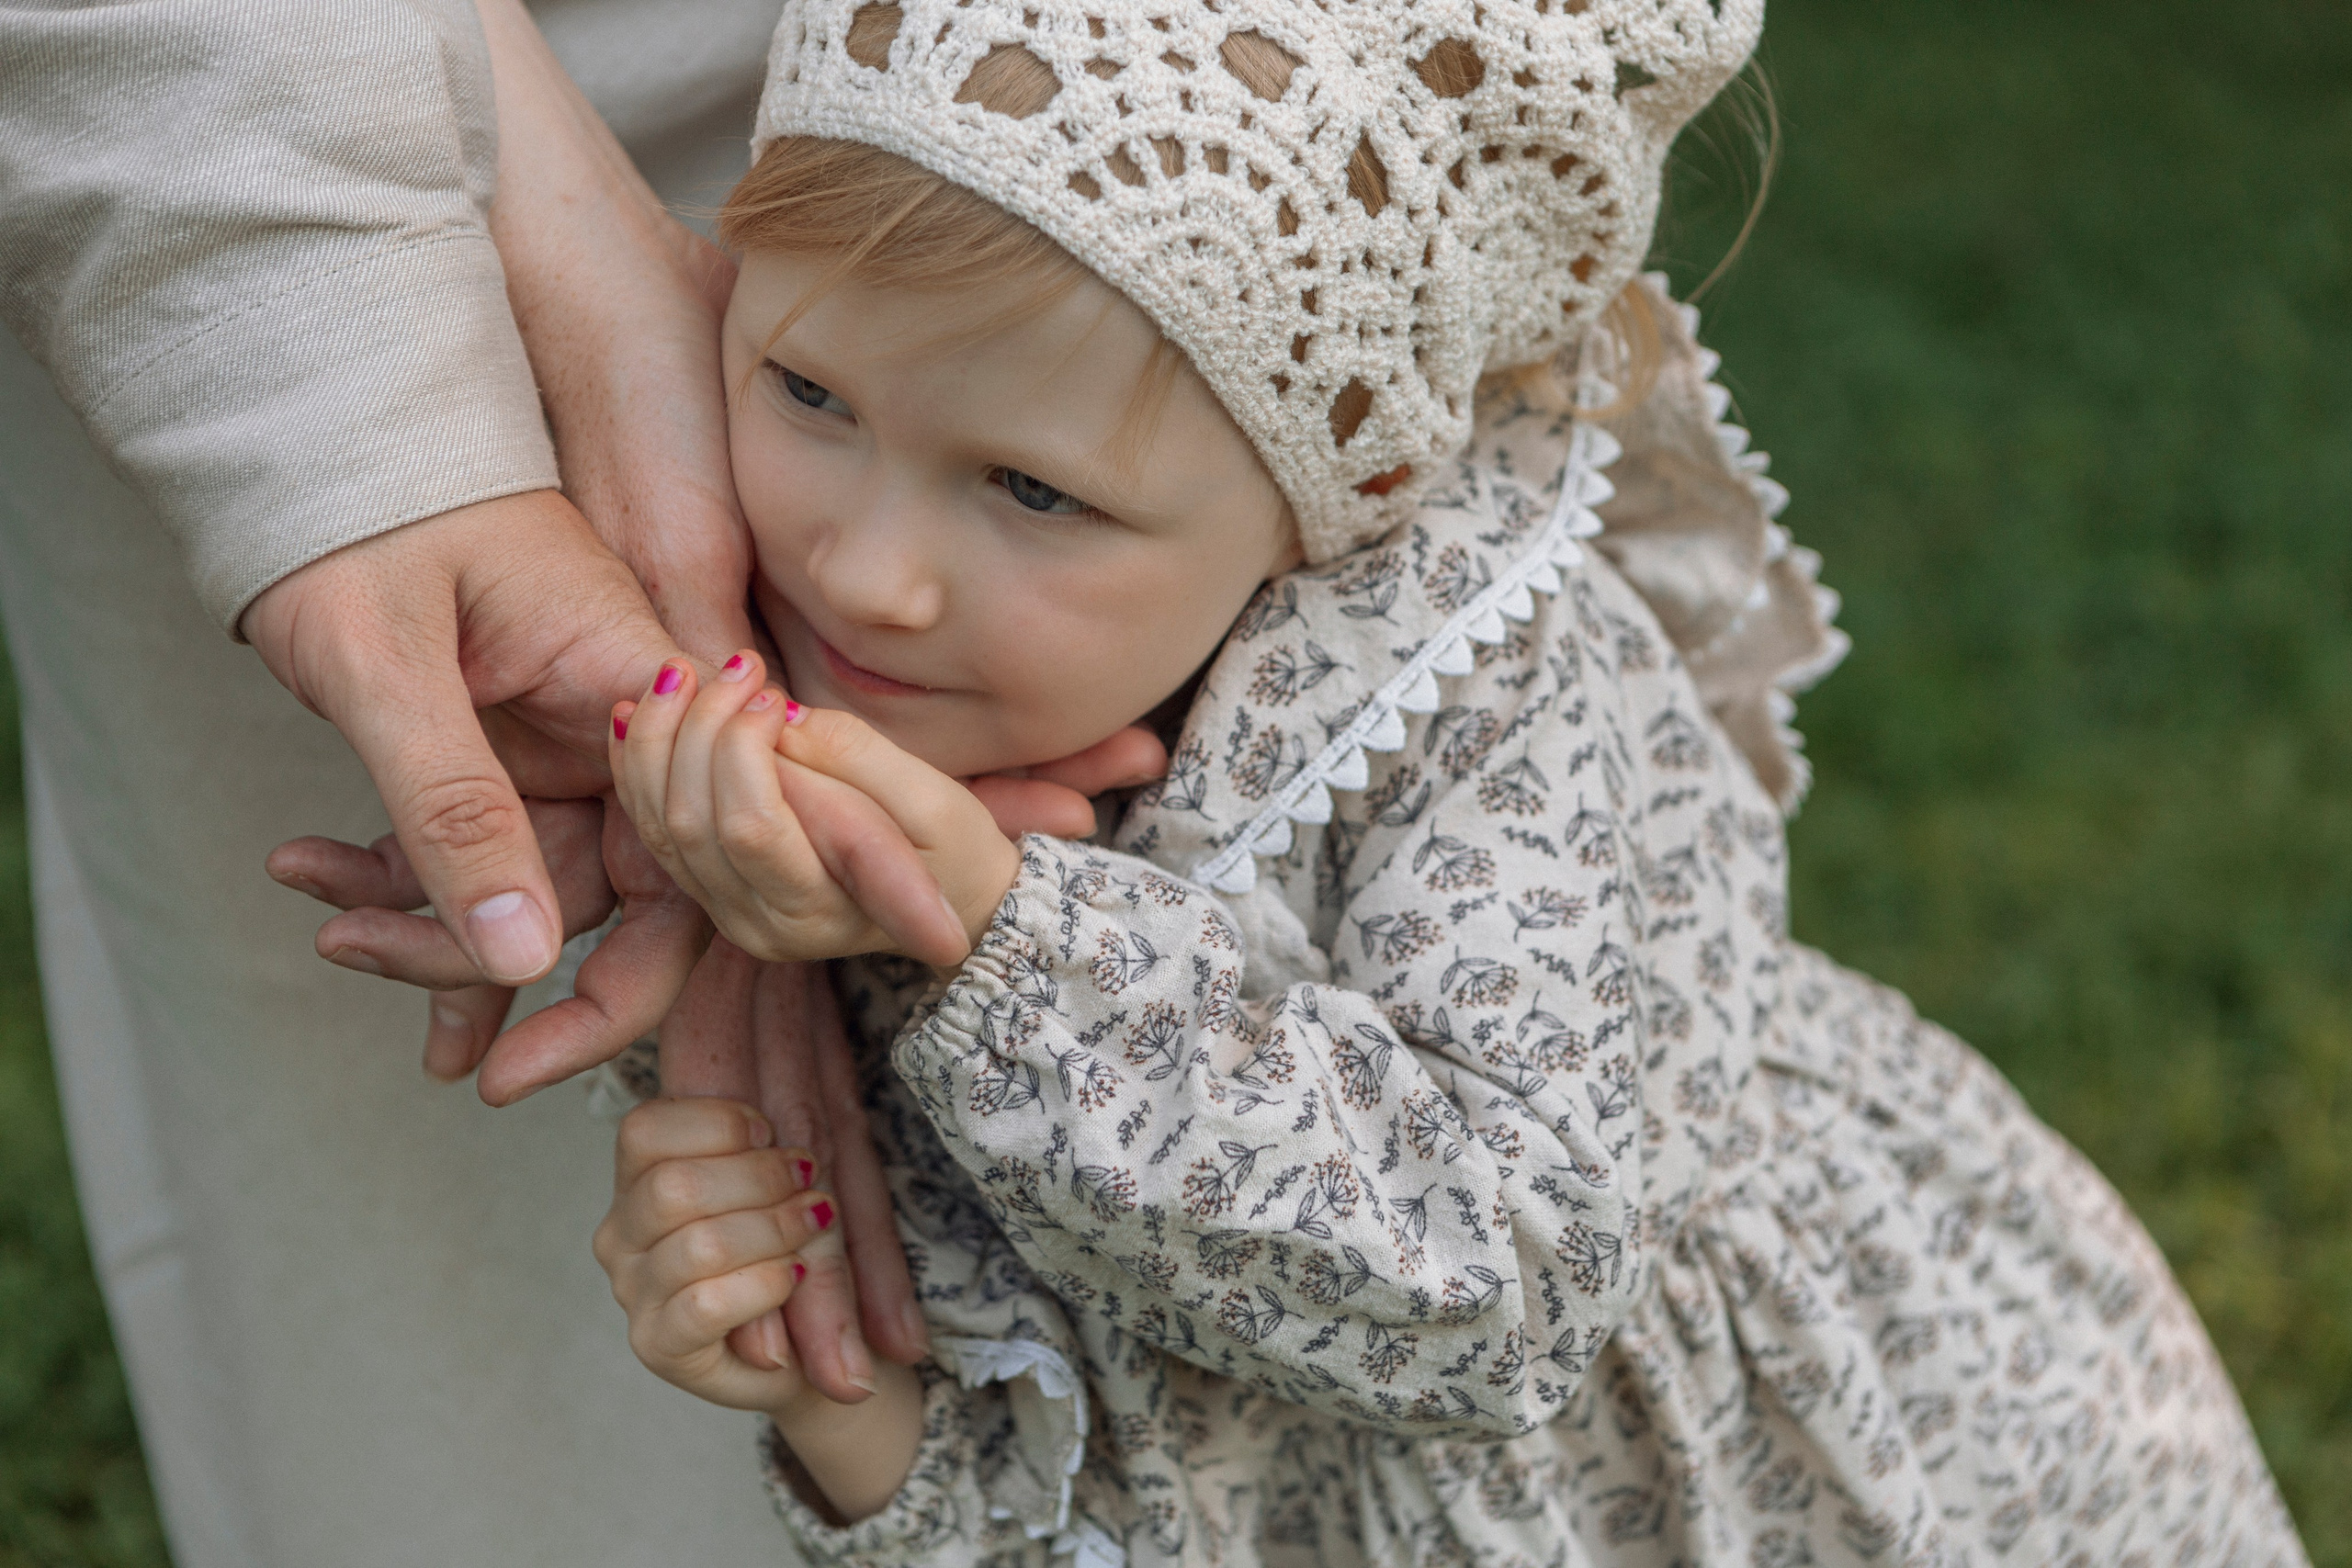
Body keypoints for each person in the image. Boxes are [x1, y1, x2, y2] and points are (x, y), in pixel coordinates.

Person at [586, 0, 2313, 1562]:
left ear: (1344, 485)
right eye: (807, 388)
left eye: (1036, 494)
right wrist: (838, 1398)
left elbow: (1509, 1288)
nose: (868, 572)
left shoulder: (1470, 690)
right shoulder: (756, 727)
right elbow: (1088, 1467)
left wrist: (998, 945)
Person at [0, 0, 1091, 1559]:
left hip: (1037, 134)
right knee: (445, 1294)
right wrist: (365, 366)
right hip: (215, 81)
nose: (868, 578)